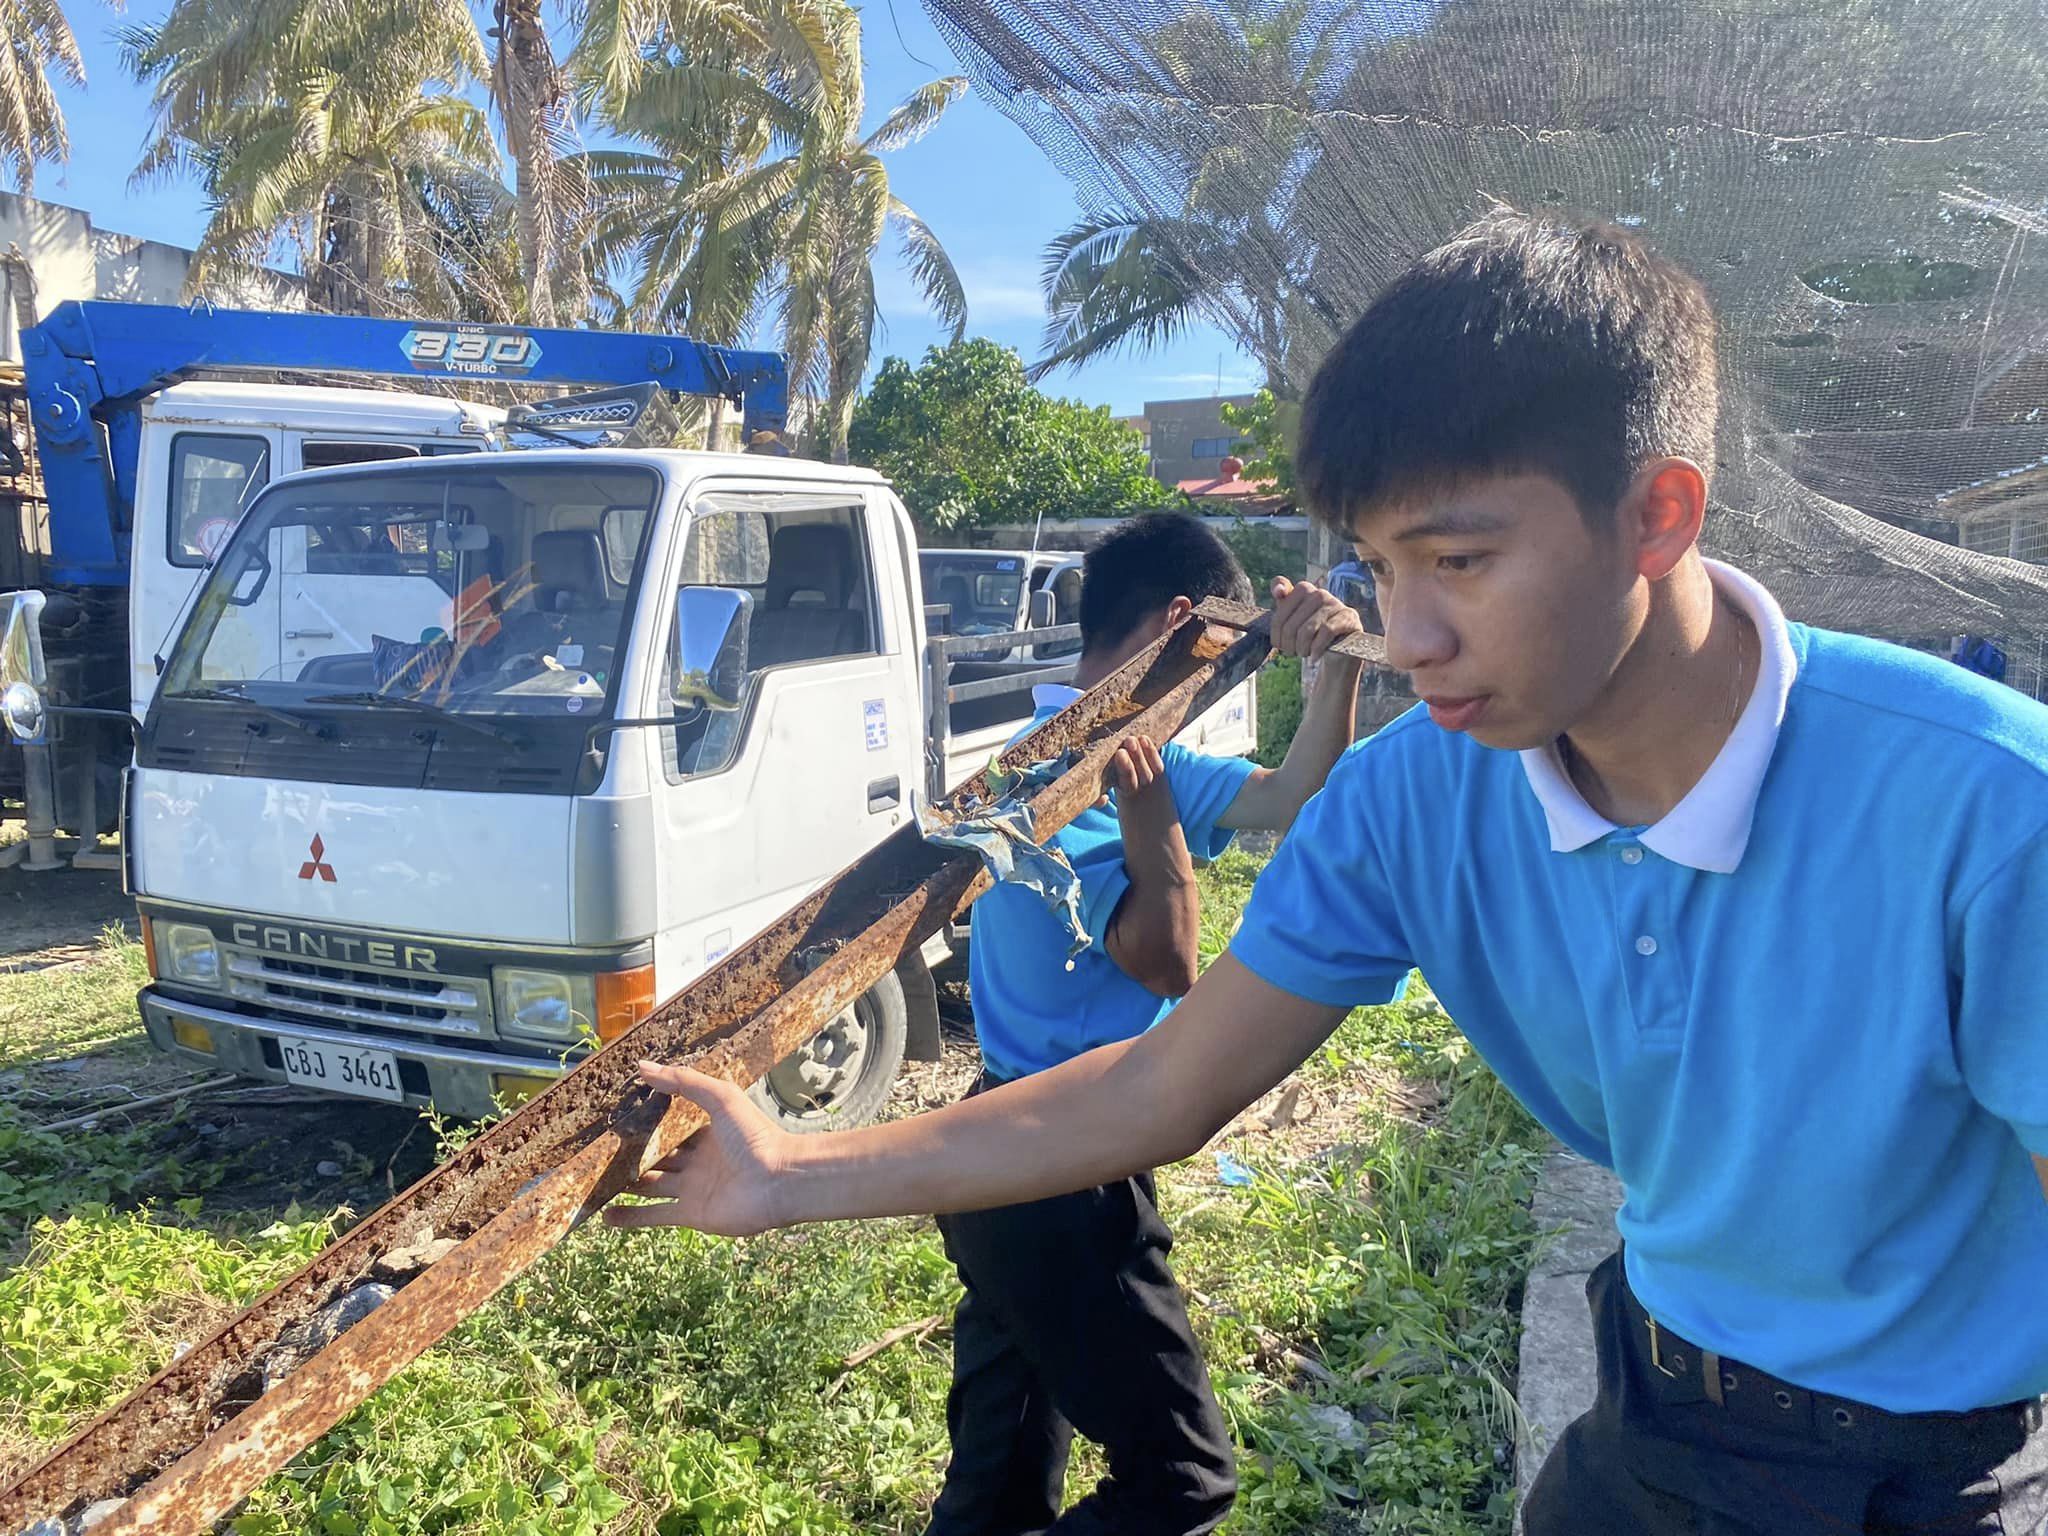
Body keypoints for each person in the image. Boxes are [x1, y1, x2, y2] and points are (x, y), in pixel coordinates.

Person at [608, 211, 2048, 1534]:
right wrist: (791, 1164)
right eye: (1376, 568)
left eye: (1461, 561)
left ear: (1659, 513)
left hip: (1932, 1471)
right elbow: (1159, 1083)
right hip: (1651, 1408)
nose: (1408, 633)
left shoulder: (1984, 807)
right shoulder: (1412, 801)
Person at [935, 512, 1365, 1536]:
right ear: (1183, 625)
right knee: (1182, 1480)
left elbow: (1296, 794)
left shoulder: (1107, 763)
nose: (1217, 678)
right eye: (1220, 653)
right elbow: (1166, 959)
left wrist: (1337, 664)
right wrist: (1153, 825)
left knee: (1000, 1470)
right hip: (1063, 1166)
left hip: (987, 1156)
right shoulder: (1053, 791)